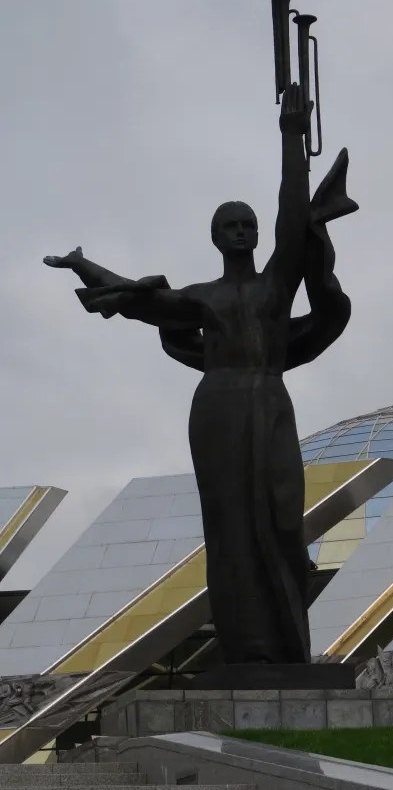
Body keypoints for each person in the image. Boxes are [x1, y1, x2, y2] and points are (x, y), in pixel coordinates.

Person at [44, 84, 357, 664]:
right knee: (230, 523)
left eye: (248, 225)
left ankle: (288, 649)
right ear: (216, 237)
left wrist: (292, 135)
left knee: (283, 516)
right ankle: (246, 648)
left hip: (268, 399)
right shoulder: (201, 296)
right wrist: (81, 262)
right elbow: (140, 303)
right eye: (231, 225)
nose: (242, 232)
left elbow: (295, 214)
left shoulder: (274, 286)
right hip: (216, 407)